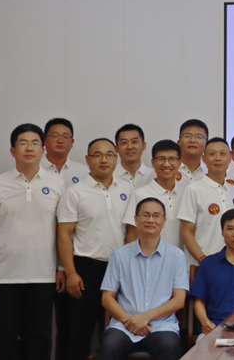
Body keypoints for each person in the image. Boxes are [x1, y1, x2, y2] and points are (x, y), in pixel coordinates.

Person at [0, 123, 66, 360]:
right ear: (12, 150)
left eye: (35, 143)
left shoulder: (57, 183)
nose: (29, 148)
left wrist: (61, 267)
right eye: (23, 143)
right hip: (5, 275)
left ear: (43, 150)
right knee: (6, 339)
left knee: (39, 339)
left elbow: (63, 230)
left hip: (43, 274)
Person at [56, 138, 133, 360]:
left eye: (109, 154)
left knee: (114, 334)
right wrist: (70, 272)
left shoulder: (128, 189)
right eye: (97, 155)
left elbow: (131, 231)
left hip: (119, 268)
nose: (104, 159)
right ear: (88, 159)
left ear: (116, 158)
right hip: (84, 270)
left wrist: (130, 266)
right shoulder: (75, 192)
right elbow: (64, 234)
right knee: (78, 333)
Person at [98, 198, 188, 360]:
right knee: (109, 345)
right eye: (145, 215)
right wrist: (130, 321)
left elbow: (179, 300)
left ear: (164, 221)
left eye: (156, 215)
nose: (150, 220)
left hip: (161, 327)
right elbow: (107, 298)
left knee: (170, 346)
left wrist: (146, 317)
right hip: (123, 326)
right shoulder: (119, 255)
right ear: (135, 219)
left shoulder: (177, 256)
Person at [180, 137, 234, 269]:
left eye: (222, 154)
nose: (218, 158)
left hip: (233, 265)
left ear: (230, 158)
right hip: (202, 265)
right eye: (212, 154)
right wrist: (203, 260)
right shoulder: (194, 189)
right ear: (204, 159)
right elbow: (186, 231)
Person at [123, 140, 187, 251]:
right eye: (161, 159)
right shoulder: (140, 194)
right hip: (149, 259)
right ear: (153, 162)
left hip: (181, 259)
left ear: (180, 163)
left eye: (172, 159)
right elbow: (132, 235)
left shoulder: (187, 193)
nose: (166, 164)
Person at [41, 117, 88, 187]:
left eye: (65, 137)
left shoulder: (83, 171)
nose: (60, 141)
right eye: (55, 136)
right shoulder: (33, 168)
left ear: (72, 142)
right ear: (44, 140)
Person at [114, 124, 153, 188]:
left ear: (143, 146)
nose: (130, 147)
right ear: (116, 148)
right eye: (124, 142)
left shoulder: (154, 176)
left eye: (134, 141)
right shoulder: (109, 176)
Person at [177, 118, 208, 184]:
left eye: (199, 137)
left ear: (207, 145)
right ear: (179, 143)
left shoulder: (211, 171)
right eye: (187, 136)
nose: (192, 140)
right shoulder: (167, 169)